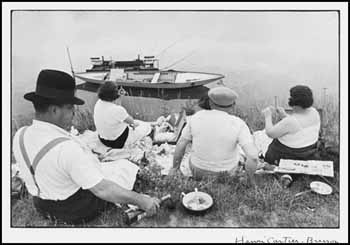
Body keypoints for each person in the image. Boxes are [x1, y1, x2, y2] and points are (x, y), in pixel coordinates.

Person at [12, 70, 160, 224]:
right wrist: (142, 201)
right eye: (70, 108)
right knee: (121, 169)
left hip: (41, 204)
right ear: (54, 110)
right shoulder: (66, 148)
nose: (74, 113)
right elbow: (102, 189)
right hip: (73, 209)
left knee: (106, 168)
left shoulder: (20, 135)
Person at [169, 86, 259, 184]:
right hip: (227, 174)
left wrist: (175, 168)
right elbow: (253, 157)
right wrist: (249, 178)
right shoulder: (238, 123)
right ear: (233, 106)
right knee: (240, 153)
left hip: (198, 171)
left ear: (210, 102)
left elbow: (181, 143)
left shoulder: (196, 117)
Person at [261, 85, 321, 167]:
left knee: (260, 137)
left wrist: (267, 116)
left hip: (288, 155)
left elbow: (270, 133)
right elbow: (298, 126)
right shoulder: (314, 112)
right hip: (308, 151)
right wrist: (283, 115)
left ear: (293, 101)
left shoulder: (290, 122)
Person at [93, 81, 151, 149]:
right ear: (114, 95)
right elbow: (131, 121)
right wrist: (119, 98)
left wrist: (118, 97)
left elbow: (116, 113)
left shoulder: (98, 103)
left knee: (121, 122)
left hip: (103, 139)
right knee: (145, 127)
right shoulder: (117, 110)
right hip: (117, 142)